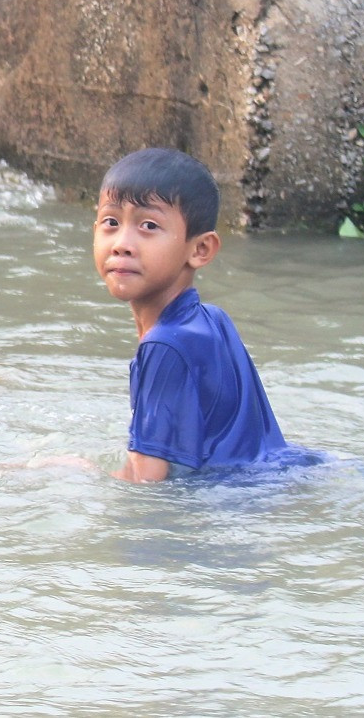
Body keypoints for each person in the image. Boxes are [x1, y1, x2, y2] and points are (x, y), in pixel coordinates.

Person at [95, 148, 294, 481]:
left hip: (235, 503)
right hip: (278, 479)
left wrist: (77, 473)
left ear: (200, 249)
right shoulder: (212, 319)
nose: (121, 244)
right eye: (111, 222)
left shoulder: (163, 346)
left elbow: (146, 484)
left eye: (148, 225)